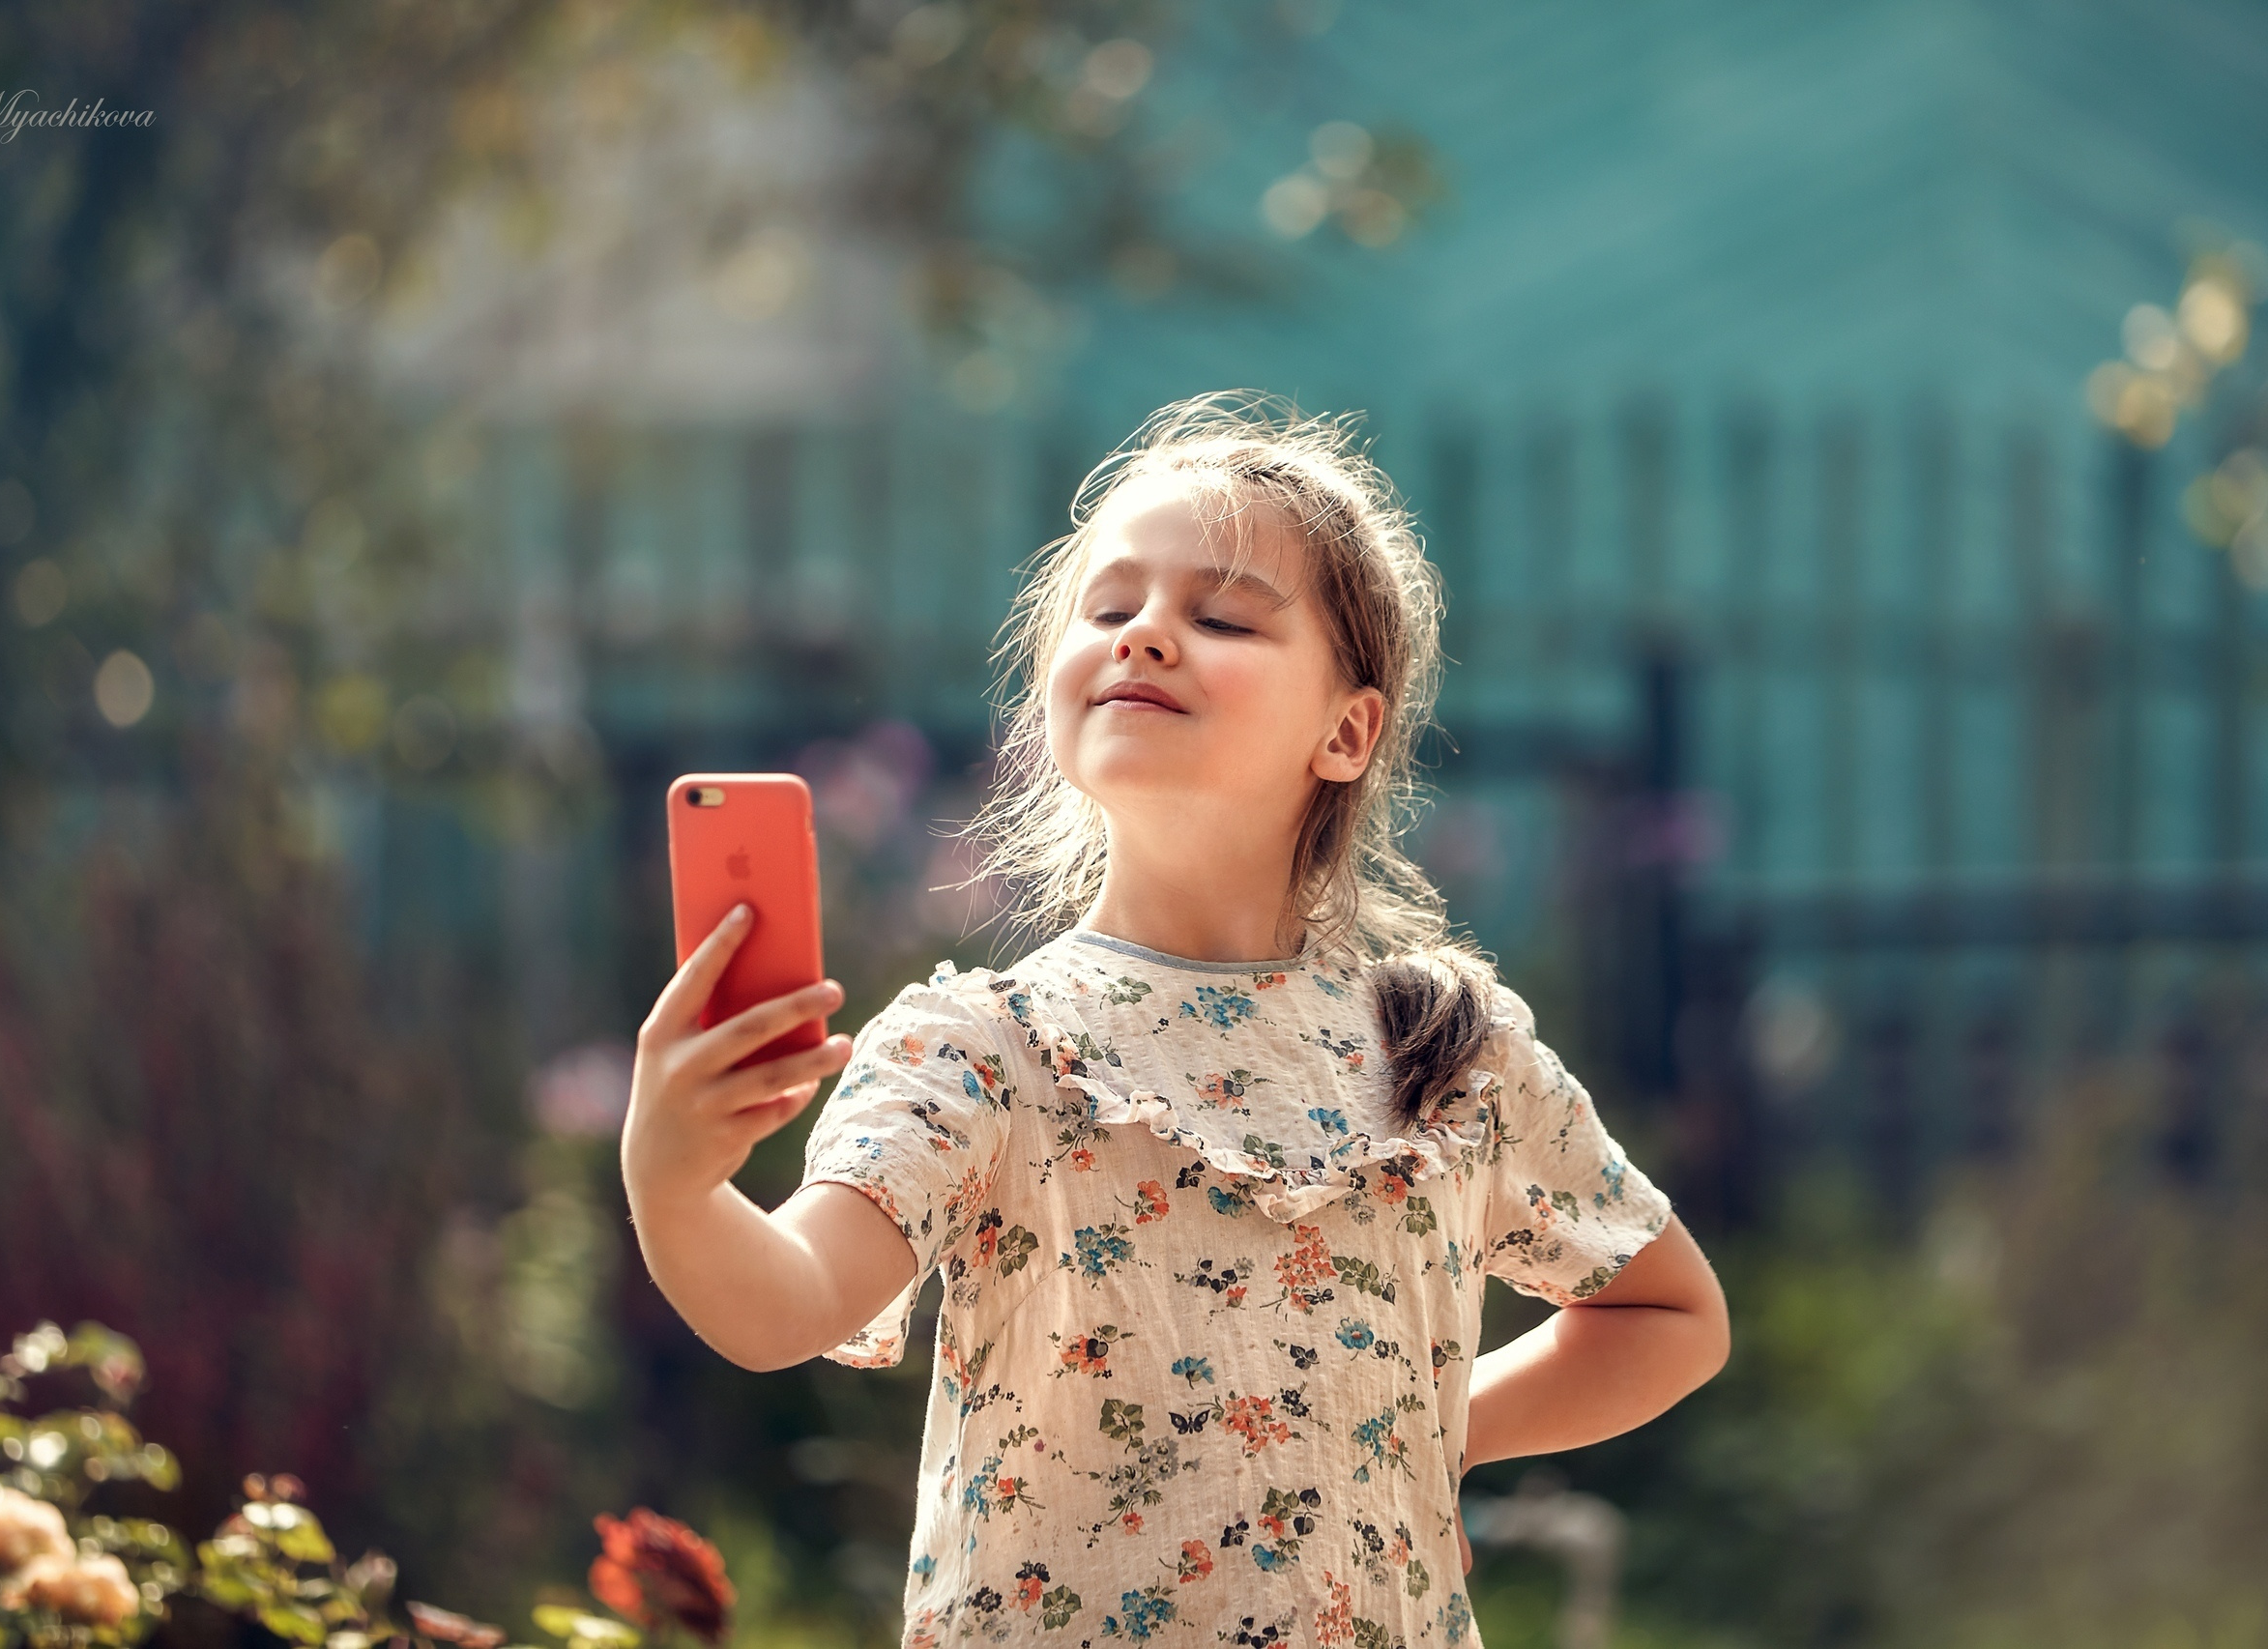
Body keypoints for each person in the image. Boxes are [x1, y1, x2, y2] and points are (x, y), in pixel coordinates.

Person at [622, 392, 1730, 1647]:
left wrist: (1429, 1426)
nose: (1146, 634)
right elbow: (787, 1303)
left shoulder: (1448, 1050)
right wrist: (676, 1185)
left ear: (1347, 731)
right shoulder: (981, 1048)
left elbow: (1671, 1314)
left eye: (1220, 615)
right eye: (1109, 608)